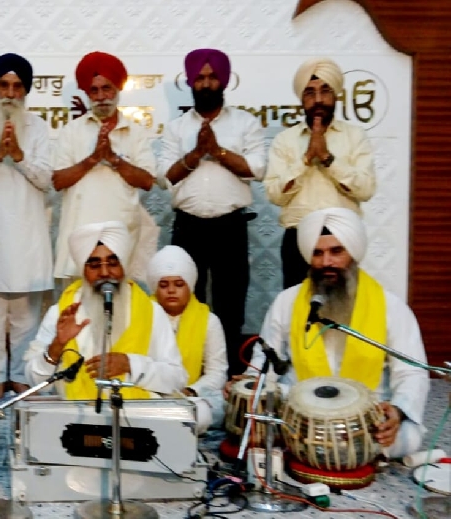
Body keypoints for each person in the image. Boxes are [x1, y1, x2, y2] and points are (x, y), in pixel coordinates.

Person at [231, 208, 428, 458]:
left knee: (408, 436)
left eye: (336, 251)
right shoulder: (287, 302)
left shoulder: (391, 307)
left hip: (365, 417)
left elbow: (412, 371)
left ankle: (309, 447)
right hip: (300, 412)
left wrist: (398, 411)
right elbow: (264, 359)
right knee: (255, 420)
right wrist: (250, 385)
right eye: (317, 253)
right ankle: (334, 449)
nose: (326, 262)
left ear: (353, 253)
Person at [158, 48, 266, 377]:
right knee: (182, 302)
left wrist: (217, 151)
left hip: (230, 228)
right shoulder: (176, 128)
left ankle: (228, 377)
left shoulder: (246, 123)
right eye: (200, 78)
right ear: (190, 82)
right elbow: (165, 177)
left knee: (230, 305)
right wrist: (195, 154)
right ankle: (184, 375)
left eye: (212, 77)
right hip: (188, 228)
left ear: (224, 81)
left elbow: (257, 169)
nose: (206, 84)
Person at [0, 53, 53, 399]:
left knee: (25, 317)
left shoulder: (39, 127)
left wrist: (19, 155)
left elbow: (46, 180)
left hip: (27, 233)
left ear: (26, 91)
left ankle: (20, 375)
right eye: (4, 85)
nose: (10, 93)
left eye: (18, 86)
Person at [25, 221, 186, 399]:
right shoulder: (62, 313)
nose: (104, 272)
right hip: (77, 413)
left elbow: (177, 378)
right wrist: (57, 346)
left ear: (124, 266)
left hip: (137, 412)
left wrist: (130, 364)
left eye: (113, 263)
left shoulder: (151, 312)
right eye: (94, 265)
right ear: (83, 270)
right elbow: (35, 381)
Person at [264, 57, 376, 289]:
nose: (318, 100)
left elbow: (366, 189)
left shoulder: (355, 136)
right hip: (298, 240)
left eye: (325, 91)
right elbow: (274, 194)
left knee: (344, 304)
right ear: (301, 99)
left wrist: (327, 158)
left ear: (336, 95)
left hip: (342, 239)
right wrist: (305, 160)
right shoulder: (285, 140)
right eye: (310, 93)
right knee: (297, 306)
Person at [53, 51, 156, 281]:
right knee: (79, 301)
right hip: (80, 235)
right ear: (87, 94)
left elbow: (148, 181)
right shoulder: (72, 131)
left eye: (106, 88)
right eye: (94, 90)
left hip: (121, 236)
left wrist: (113, 159)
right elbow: (58, 181)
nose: (101, 97)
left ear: (118, 89)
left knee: (120, 299)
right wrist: (92, 160)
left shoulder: (135, 132)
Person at [147, 245, 229, 432]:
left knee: (206, 411)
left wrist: (191, 390)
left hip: (192, 396)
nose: (171, 290)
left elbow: (217, 372)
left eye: (179, 284)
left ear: (190, 286)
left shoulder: (209, 321)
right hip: (150, 394)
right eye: (164, 285)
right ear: (154, 287)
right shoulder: (141, 316)